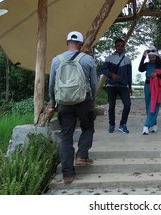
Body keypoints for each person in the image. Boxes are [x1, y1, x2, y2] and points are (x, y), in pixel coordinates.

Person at [48, 31, 98, 184]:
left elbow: (51, 84)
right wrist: (92, 99)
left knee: (66, 136)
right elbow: (94, 83)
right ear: (81, 44)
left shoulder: (56, 60)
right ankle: (82, 155)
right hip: (83, 101)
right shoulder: (88, 60)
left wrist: (52, 101)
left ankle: (68, 174)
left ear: (66, 42)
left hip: (64, 102)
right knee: (88, 127)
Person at [100, 38, 132, 134]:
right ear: (115, 46)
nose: (120, 47)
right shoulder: (109, 58)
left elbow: (129, 74)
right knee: (111, 106)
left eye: (122, 46)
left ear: (124, 47)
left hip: (123, 86)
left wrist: (130, 86)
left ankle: (123, 124)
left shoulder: (127, 60)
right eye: (118, 45)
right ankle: (111, 125)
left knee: (127, 104)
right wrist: (112, 75)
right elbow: (104, 70)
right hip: (111, 85)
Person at [138, 46, 161, 135]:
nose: (151, 59)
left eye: (153, 57)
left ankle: (146, 126)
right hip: (147, 85)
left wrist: (156, 75)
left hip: (157, 87)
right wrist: (143, 56)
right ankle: (154, 124)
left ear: (156, 56)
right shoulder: (147, 64)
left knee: (154, 105)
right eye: (150, 57)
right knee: (148, 106)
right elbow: (140, 69)